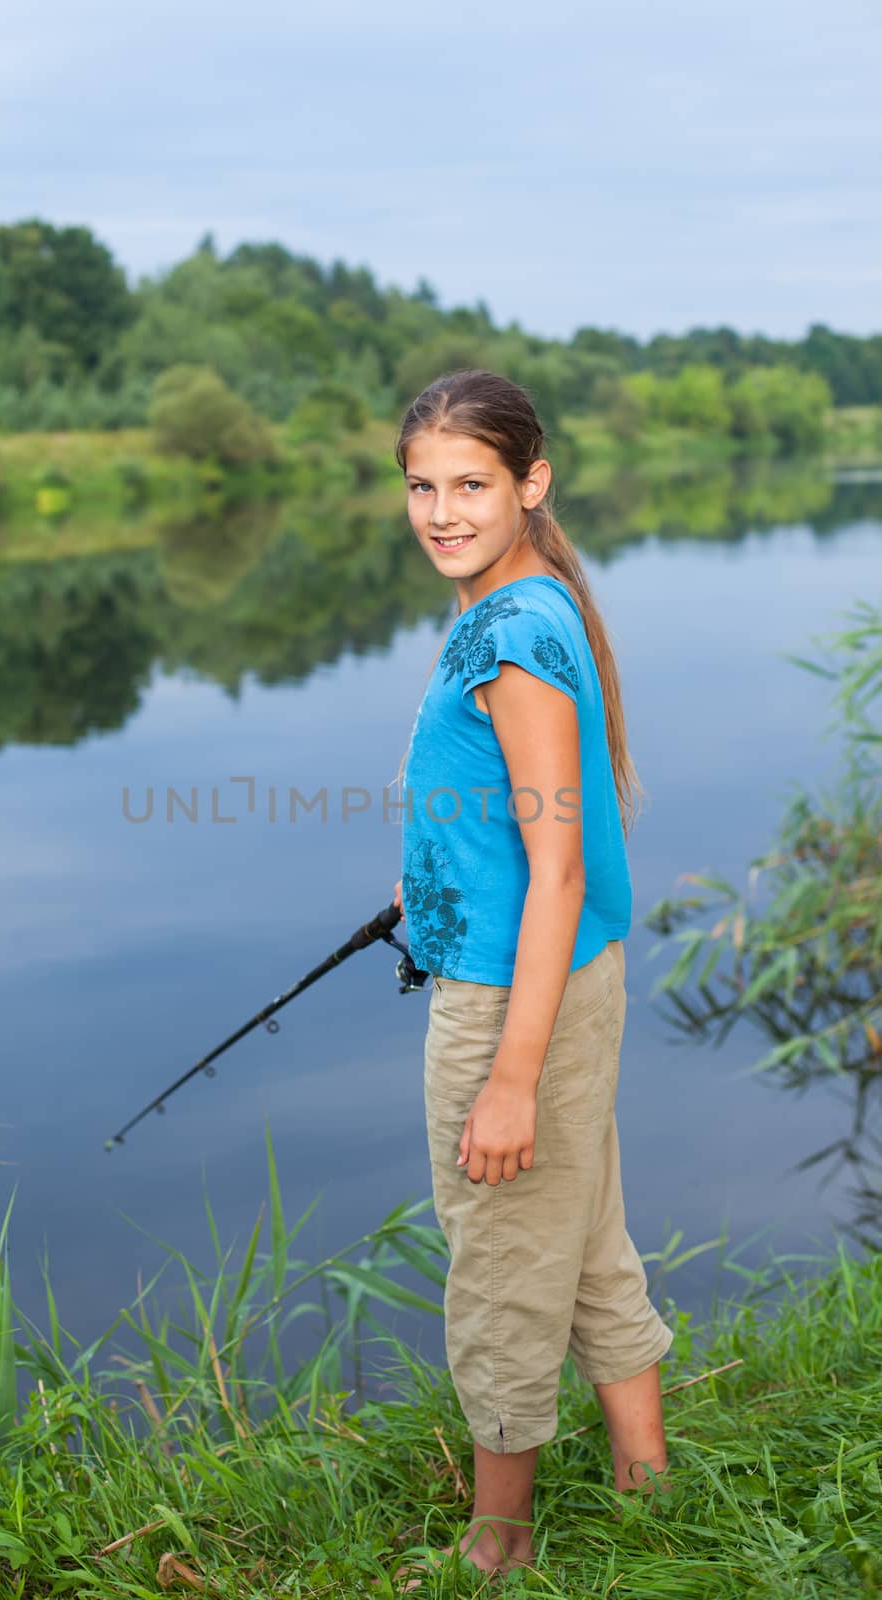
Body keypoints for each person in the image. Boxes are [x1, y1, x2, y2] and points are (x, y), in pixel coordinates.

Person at [389, 369, 674, 1581]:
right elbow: (523, 828)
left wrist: (508, 1077)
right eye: (421, 485)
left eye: (470, 483)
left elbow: (553, 869)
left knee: (502, 1265)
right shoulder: (528, 597)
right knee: (582, 1234)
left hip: (519, 1000)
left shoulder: (506, 632)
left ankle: (495, 1543)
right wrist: (432, 876)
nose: (441, 511)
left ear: (528, 483)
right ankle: (647, 1486)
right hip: (559, 976)